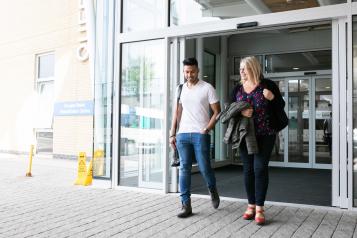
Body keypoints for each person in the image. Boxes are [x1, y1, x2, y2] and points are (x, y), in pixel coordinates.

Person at [231, 56, 285, 225]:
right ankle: (251, 205)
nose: (241, 72)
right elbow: (230, 111)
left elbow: (280, 105)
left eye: (244, 68)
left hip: (266, 134)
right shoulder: (237, 89)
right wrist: (240, 113)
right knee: (248, 170)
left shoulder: (268, 85)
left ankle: (260, 208)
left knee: (259, 168)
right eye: (240, 69)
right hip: (245, 135)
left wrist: (272, 98)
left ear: (253, 68)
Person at [169, 57, 221, 218]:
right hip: (183, 134)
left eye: (192, 71)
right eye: (186, 72)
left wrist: (207, 129)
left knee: (205, 167)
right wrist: (172, 133)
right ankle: (186, 205)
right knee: (184, 168)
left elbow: (217, 112)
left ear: (198, 70)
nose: (189, 75)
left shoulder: (207, 88)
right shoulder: (180, 88)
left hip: (200, 134)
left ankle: (212, 189)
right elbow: (177, 112)